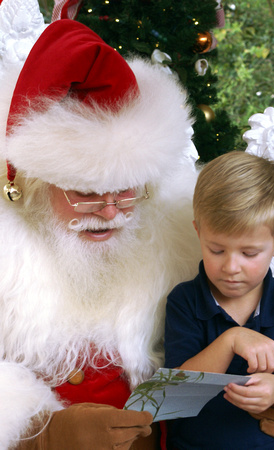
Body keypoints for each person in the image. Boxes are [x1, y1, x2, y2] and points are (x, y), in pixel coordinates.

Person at [0, 1, 201, 448]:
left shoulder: (178, 239)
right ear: (35, 184)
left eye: (127, 189)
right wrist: (43, 434)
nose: (111, 213)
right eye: (87, 192)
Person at [164, 151, 274, 449]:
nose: (230, 267)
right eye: (216, 250)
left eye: (249, 253)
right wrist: (231, 339)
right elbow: (172, 395)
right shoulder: (185, 301)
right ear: (198, 231)